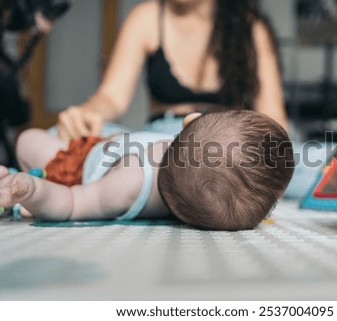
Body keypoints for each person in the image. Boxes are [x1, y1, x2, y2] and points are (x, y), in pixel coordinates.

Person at [0, 110, 294, 230]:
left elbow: (72, 202)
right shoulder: (195, 187)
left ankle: (30, 179)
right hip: (114, 141)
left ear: (190, 121)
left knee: (28, 140)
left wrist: (36, 192)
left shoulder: (125, 188)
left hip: (75, 162)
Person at [56, 0, 288, 142]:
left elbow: (274, 120)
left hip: (230, 144)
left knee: (317, 157)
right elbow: (111, 97)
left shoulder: (252, 29)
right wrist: (87, 113)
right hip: (164, 139)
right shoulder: (146, 17)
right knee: (54, 137)